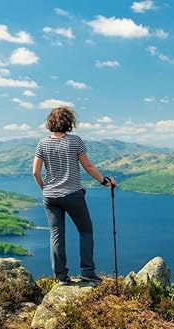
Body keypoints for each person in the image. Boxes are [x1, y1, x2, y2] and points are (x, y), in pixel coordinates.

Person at [32, 106, 116, 285]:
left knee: (56, 235)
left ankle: (61, 277)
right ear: (69, 122)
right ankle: (87, 272)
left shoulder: (42, 144)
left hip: (50, 196)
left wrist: (45, 189)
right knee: (85, 231)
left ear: (50, 122)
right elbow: (89, 167)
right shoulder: (75, 141)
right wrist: (104, 181)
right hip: (72, 194)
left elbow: (35, 172)